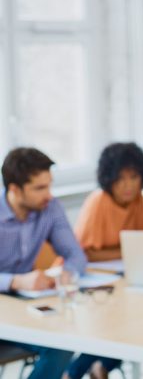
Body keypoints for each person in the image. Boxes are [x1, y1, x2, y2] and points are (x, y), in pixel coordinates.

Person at [63, 142, 143, 379]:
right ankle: (76, 372)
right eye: (120, 178)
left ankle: (98, 368)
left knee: (131, 325)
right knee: (114, 328)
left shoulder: (137, 200)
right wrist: (126, 249)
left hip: (119, 280)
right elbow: (86, 253)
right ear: (108, 178)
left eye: (134, 177)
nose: (128, 185)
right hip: (86, 281)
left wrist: (129, 249)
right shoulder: (99, 201)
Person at [0, 147, 87, 379]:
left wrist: (67, 274)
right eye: (39, 188)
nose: (48, 194)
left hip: (21, 310)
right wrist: (16, 281)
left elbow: (76, 255)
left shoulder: (50, 208)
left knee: (62, 343)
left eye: (49, 185)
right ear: (14, 189)